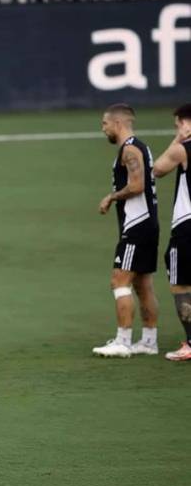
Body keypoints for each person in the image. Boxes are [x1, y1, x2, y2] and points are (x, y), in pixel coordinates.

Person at [94, 104, 159, 358]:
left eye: (105, 124)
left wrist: (112, 197)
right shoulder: (139, 146)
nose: (103, 129)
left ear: (118, 124)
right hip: (147, 224)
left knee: (119, 280)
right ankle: (149, 341)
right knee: (143, 284)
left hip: (137, 225)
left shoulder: (130, 149)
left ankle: (122, 340)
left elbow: (137, 185)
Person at [152, 103, 191, 362]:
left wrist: (179, 138)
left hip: (187, 227)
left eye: (178, 124)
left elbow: (157, 169)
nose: (177, 129)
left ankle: (190, 343)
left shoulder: (183, 149)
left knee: (181, 285)